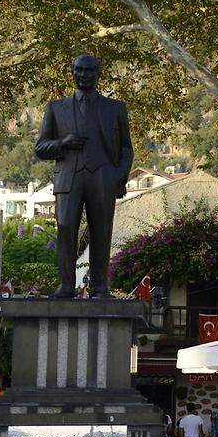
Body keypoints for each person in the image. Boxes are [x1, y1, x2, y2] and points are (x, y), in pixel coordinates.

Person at [35, 54, 133, 298]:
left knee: (101, 231)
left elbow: (126, 149)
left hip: (103, 176)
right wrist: (63, 143)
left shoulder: (115, 108)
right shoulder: (56, 108)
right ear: (72, 72)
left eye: (89, 71)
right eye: (79, 70)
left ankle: (99, 287)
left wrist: (117, 177)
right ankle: (66, 285)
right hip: (69, 177)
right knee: (66, 226)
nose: (84, 74)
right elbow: (40, 147)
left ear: (98, 74)